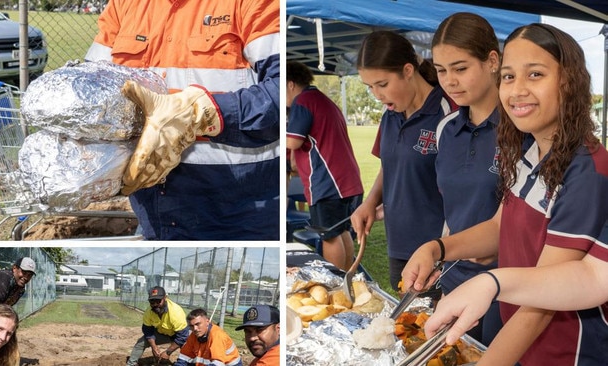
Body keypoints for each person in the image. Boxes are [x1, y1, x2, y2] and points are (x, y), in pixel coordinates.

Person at [402, 23, 608, 366]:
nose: (517, 90)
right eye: (509, 77)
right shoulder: (531, 152)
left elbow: (542, 304)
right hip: (520, 341)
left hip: (564, 353)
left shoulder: (587, 170)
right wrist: (437, 248)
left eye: (536, 74)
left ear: (569, 82)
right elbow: (500, 228)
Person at [85, 0, 280, 240]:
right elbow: (91, 84)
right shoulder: (124, 5)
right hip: (152, 207)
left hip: (240, 212)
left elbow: (285, 96)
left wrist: (199, 113)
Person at [350, 30, 456, 300]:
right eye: (369, 87)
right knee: (407, 327)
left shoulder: (449, 113)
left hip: (439, 248)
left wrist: (443, 249)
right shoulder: (390, 115)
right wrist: (370, 202)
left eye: (382, 84)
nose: (375, 94)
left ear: (408, 70)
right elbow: (390, 165)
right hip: (398, 243)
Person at [430, 12, 502, 345]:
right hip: (454, 275)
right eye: (441, 71)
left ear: (492, 61)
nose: (449, 81)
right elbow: (452, 210)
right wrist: (439, 255)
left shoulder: (521, 130)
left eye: (460, 69)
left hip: (507, 283)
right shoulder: (447, 129)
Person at [424, 250, 608, 346]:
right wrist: (489, 284)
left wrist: (490, 284)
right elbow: (594, 274)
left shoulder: (586, 182)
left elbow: (595, 277)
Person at [286, 60, 364, 271]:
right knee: (341, 231)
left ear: (290, 84)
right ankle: (345, 278)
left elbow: (293, 141)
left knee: (327, 235)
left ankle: (334, 283)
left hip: (327, 181)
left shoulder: (302, 102)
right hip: (346, 179)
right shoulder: (323, 100)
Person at [126, 286, 189, 366]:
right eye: (152, 302)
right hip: (162, 333)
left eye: (158, 301)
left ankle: (186, 363)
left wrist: (167, 352)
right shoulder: (149, 312)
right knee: (141, 342)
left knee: (187, 346)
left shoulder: (176, 312)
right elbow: (147, 330)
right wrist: (153, 346)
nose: (155, 304)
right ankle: (131, 364)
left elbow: (182, 336)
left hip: (178, 334)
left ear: (165, 298)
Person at [173, 308, 242, 366]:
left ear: (207, 322)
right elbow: (184, 357)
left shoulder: (217, 335)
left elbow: (218, 363)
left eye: (198, 324)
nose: (195, 329)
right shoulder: (194, 335)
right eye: (191, 326)